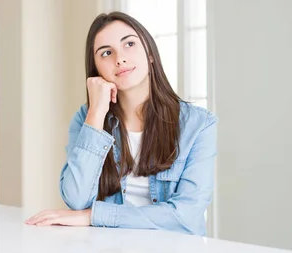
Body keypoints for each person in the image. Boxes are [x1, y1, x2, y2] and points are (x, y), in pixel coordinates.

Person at [25, 11, 217, 236]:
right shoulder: (86, 118)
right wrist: (96, 112)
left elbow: (186, 215)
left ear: (150, 54)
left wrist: (93, 216)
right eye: (106, 53)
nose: (119, 58)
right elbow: (76, 200)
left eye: (129, 44)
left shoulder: (199, 124)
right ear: (96, 70)